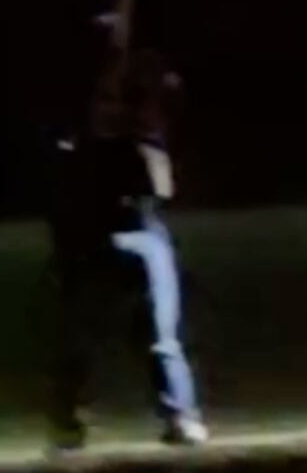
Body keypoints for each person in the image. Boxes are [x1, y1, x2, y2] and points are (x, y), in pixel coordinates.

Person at [48, 45, 208, 450]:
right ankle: (69, 421)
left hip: (140, 239)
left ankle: (179, 415)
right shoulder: (78, 146)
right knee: (81, 338)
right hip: (98, 244)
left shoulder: (139, 140)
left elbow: (160, 189)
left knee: (159, 336)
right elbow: (65, 202)